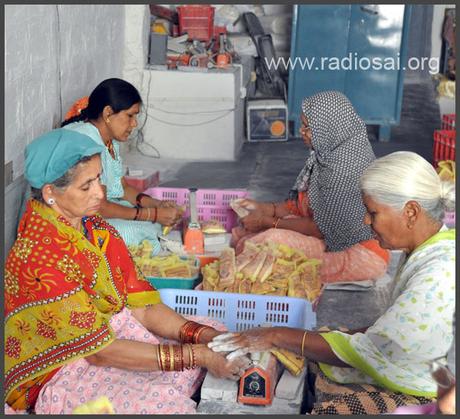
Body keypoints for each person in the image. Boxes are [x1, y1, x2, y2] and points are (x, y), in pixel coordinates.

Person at [4, 129, 249, 414]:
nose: (100, 193)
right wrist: (199, 356)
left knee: (214, 331)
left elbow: (141, 307)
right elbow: (100, 353)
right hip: (60, 368)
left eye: (98, 179)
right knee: (165, 403)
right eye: (87, 186)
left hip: (106, 338)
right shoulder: (38, 258)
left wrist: (205, 339)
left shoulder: (95, 229)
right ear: (50, 193)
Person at [209, 151, 455, 414]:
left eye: (373, 212)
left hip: (428, 388)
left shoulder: (437, 273)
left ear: (410, 212)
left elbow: (378, 346)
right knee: (322, 337)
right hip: (419, 367)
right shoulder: (428, 248)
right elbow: (387, 331)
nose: (366, 220)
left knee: (329, 400)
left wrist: (275, 334)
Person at [232, 91, 389, 284]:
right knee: (249, 235)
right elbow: (300, 206)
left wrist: (267, 222)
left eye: (308, 127)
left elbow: (318, 228)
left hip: (358, 254)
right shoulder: (330, 154)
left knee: (269, 242)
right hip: (329, 238)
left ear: (329, 128)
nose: (301, 131)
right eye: (303, 125)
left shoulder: (344, 170)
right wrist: (264, 209)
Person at [61, 78, 181, 254]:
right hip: (73, 219)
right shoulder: (86, 140)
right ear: (108, 113)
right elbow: (99, 206)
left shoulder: (108, 141)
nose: (135, 124)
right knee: (139, 234)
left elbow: (122, 187)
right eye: (130, 115)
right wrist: (152, 214)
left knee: (151, 226)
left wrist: (157, 204)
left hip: (96, 210)